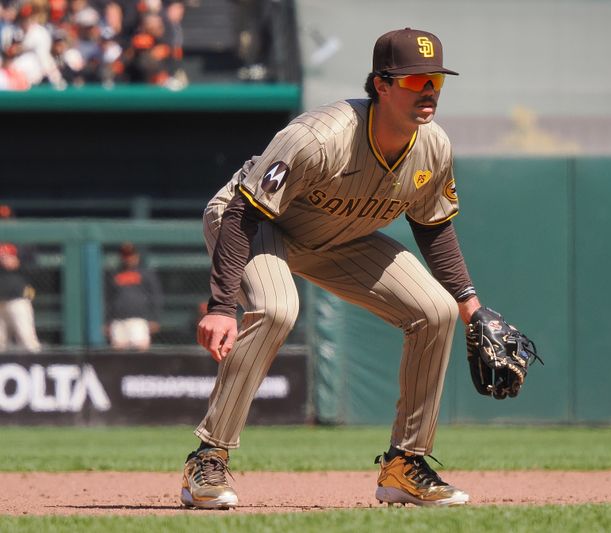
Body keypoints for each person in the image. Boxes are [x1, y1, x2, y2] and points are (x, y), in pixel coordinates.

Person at [181, 28, 480, 510]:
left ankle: (405, 466)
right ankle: (208, 458)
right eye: (414, 81)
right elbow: (244, 213)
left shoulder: (433, 147)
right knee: (278, 310)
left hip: (338, 236)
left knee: (437, 311)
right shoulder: (319, 138)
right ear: (381, 85)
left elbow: (434, 226)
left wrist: (471, 306)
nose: (427, 91)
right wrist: (220, 305)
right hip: (255, 222)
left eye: (435, 82)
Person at [105, 242, 163, 350]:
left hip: (139, 320)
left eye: (131, 255)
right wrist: (107, 321)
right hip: (118, 321)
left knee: (140, 350)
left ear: (136, 256)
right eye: (125, 255)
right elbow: (108, 299)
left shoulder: (146, 273)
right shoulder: (114, 274)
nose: (128, 258)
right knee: (118, 351)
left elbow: (155, 297)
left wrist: (154, 318)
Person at [0, 204, 42, 353]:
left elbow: (35, 267)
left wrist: (18, 262)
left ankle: (37, 371)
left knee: (28, 341)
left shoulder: (23, 240)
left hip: (18, 297)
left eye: (5, 219)